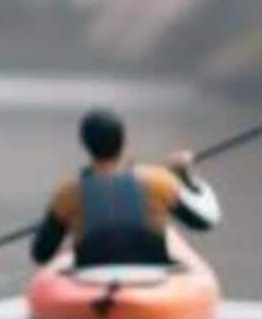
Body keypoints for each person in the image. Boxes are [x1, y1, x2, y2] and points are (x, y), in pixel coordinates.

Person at [29, 108, 220, 269]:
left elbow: (41, 254)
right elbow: (205, 221)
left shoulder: (68, 193)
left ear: (85, 145)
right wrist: (185, 176)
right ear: (123, 141)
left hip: (90, 280)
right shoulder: (160, 181)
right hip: (152, 277)